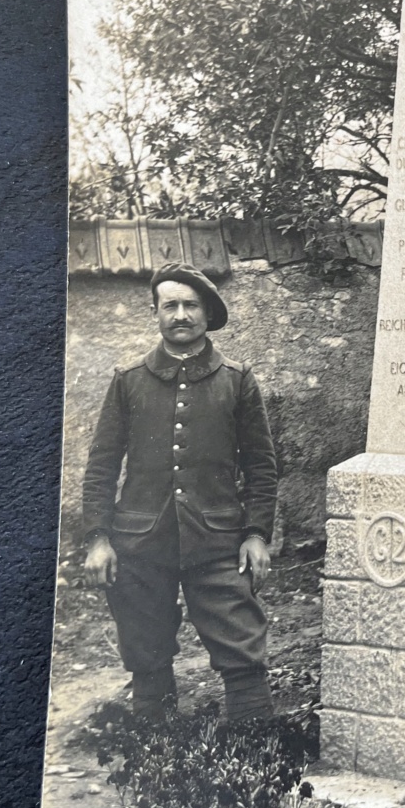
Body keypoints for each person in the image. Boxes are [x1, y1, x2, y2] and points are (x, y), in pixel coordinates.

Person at [82, 263, 279, 722]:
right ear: (155, 313)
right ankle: (157, 762)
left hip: (218, 541)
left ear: (208, 314)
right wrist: (98, 538)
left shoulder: (237, 379)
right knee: (146, 650)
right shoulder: (128, 380)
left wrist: (256, 534)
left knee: (242, 650)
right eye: (170, 305)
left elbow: (262, 466)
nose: (181, 314)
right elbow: (102, 465)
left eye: (191, 305)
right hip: (140, 542)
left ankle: (257, 764)